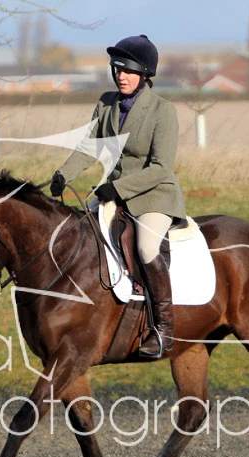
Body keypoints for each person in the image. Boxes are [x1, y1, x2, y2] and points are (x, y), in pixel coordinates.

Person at [50, 34, 186, 358]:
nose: (120, 76)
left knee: (146, 247)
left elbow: (160, 168)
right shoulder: (106, 103)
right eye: (117, 69)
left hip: (153, 196)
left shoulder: (162, 111)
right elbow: (89, 147)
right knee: (78, 233)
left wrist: (118, 188)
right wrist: (63, 175)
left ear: (144, 74)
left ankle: (164, 328)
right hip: (114, 196)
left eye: (127, 71)